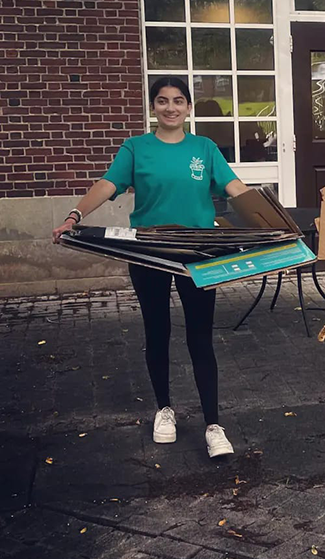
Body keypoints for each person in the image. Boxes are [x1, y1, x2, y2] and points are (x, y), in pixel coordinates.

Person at [52, 76, 250, 458]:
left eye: (178, 101)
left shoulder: (205, 148)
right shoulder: (135, 148)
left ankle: (213, 424)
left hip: (196, 253)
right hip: (150, 253)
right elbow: (108, 183)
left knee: (200, 338)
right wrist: (74, 215)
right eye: (162, 101)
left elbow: (235, 188)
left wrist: (272, 222)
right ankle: (164, 410)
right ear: (153, 107)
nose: (171, 107)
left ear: (189, 108)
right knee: (157, 332)